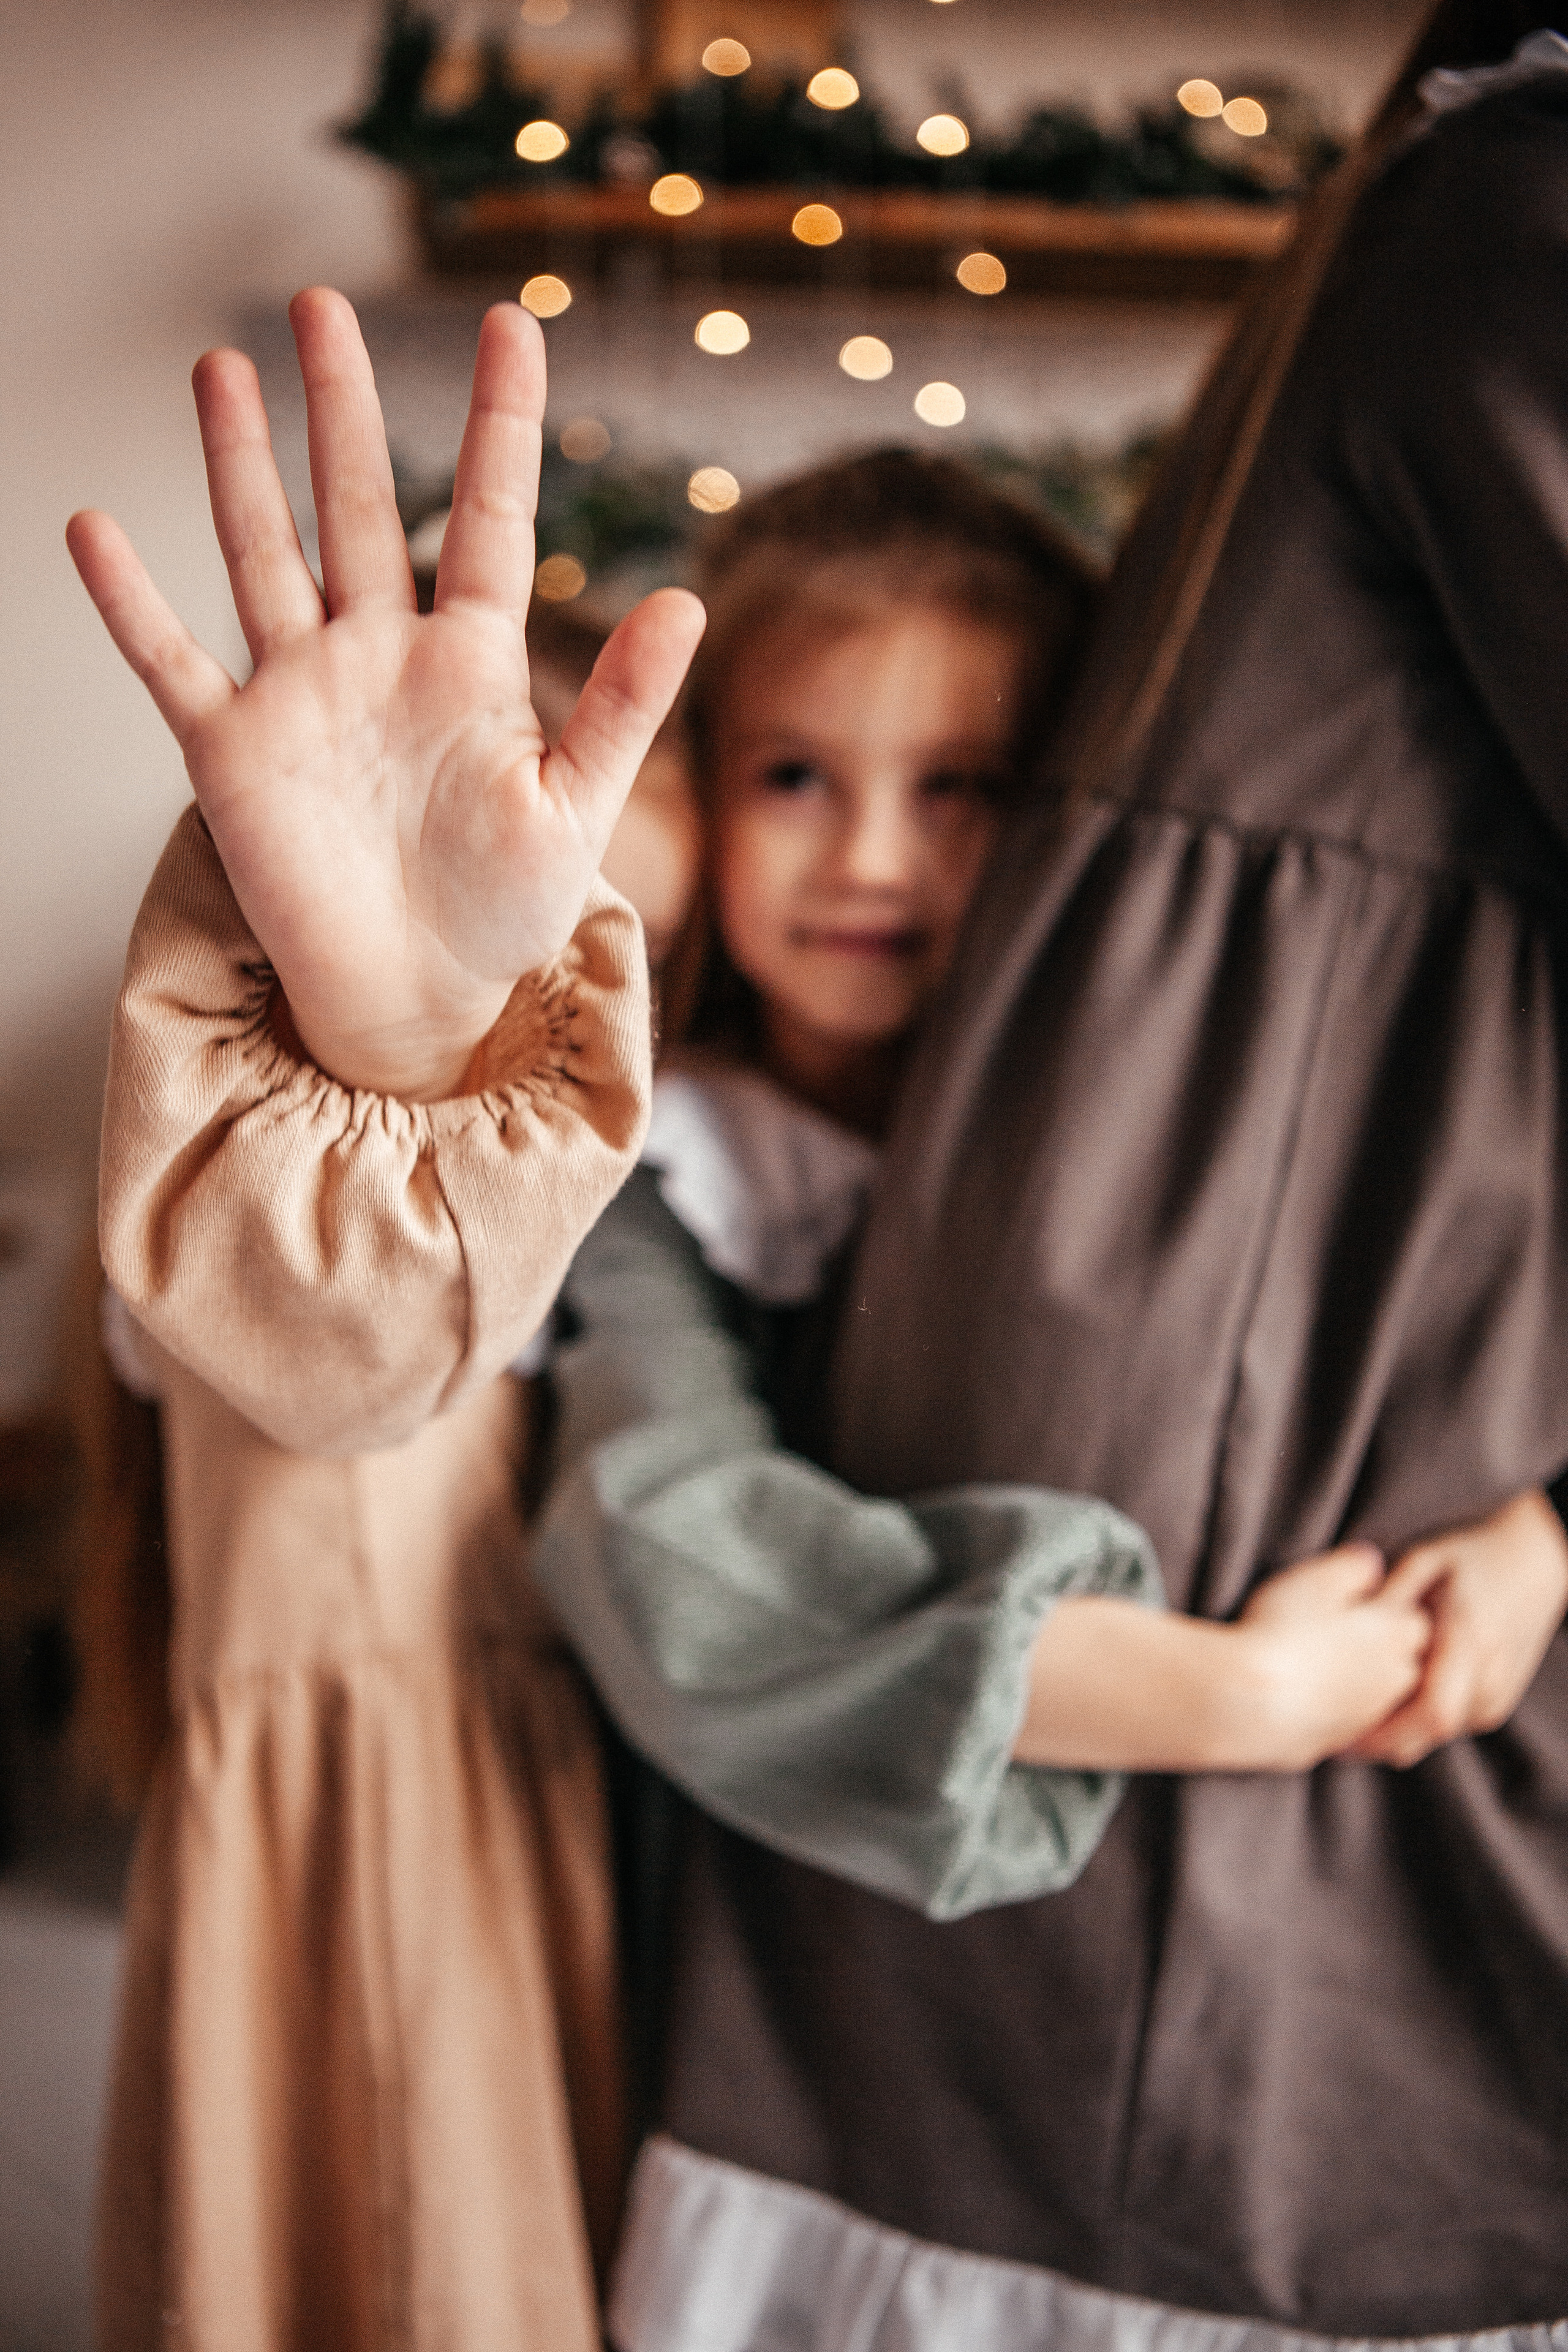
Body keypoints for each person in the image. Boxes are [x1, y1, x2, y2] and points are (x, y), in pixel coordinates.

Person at [603, 9, 1568, 2348]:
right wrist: (1220, 1704)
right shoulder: (677, 1188)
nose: (878, 868)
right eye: (799, 779)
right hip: (980, 1928)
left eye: (971, 794)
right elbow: (671, 1572)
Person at [67, 292, 704, 2352]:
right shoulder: (313, 1232)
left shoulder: (740, 1185)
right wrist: (416, 1058)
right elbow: (342, 1354)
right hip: (368, 1838)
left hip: (568, 1860)